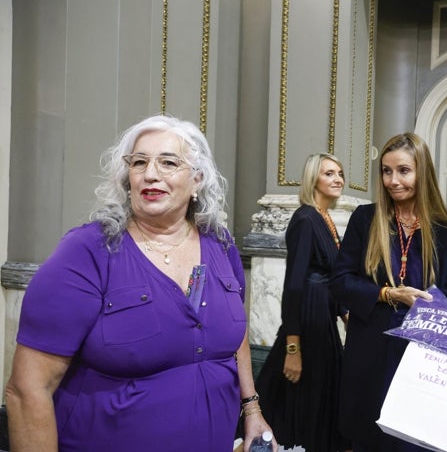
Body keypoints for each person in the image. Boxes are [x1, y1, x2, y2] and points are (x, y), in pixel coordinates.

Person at [5, 115, 276, 452]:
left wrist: (252, 408)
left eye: (168, 162)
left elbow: (236, 334)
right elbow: (28, 389)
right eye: (139, 162)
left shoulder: (220, 245)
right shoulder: (88, 252)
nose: (150, 174)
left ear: (197, 180)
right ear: (127, 178)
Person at [330, 133, 447, 451]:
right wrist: (389, 294)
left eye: (403, 170)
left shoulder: (446, 229)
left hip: (419, 358)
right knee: (367, 436)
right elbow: (340, 281)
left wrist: (431, 303)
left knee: (412, 441)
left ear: (422, 172)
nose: (393, 181)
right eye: (386, 171)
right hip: (369, 351)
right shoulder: (365, 218)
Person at [256, 153, 349, 451]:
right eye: (329, 173)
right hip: (308, 318)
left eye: (340, 173)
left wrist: (346, 314)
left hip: (324, 317)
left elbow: (333, 277)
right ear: (314, 179)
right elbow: (294, 284)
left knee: (320, 397)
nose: (338, 179)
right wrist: (293, 349)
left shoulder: (324, 218)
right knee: (295, 394)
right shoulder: (306, 219)